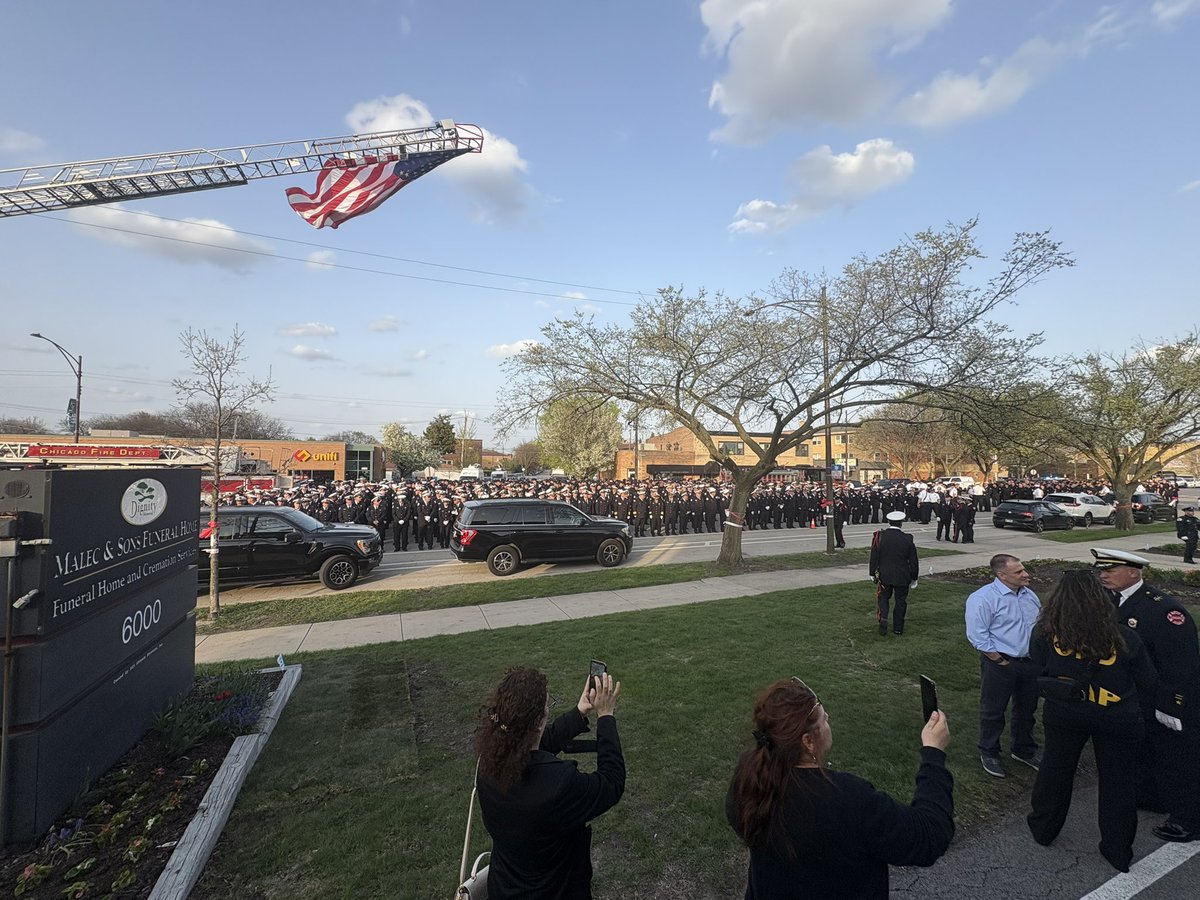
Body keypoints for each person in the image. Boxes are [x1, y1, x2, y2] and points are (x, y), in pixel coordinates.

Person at [726, 677, 954, 899]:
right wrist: (933, 753)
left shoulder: (748, 777)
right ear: (808, 741)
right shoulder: (848, 799)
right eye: (824, 720)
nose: (828, 721)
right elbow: (929, 835)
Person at [1026, 570, 1156, 872]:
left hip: (1064, 711)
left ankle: (1043, 828)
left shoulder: (1045, 632)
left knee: (1055, 770)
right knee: (1118, 782)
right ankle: (1118, 848)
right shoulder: (1126, 636)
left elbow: (1038, 664)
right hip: (1117, 716)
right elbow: (1147, 681)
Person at [475, 666, 625, 899]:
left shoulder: (488, 763)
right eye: (547, 706)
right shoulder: (559, 784)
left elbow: (539, 742)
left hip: (505, 887)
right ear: (538, 721)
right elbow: (612, 782)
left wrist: (579, 712)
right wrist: (605, 716)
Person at [1092, 548, 1200, 842]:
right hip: (1133, 697)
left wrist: (1172, 705)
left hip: (1163, 698)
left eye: (1110, 570)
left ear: (1134, 573)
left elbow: (1180, 664)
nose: (1103, 575)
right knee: (1144, 752)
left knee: (1176, 760)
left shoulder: (1163, 610)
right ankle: (1153, 797)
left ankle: (1187, 819)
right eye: (1101, 569)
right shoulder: (1111, 601)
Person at [965, 554, 1042, 778]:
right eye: (1018, 572)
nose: (1026, 574)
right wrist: (1000, 660)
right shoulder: (983, 598)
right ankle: (989, 751)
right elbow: (977, 635)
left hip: (1030, 663)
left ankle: (1024, 750)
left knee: (1027, 708)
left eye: (1024, 569)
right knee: (993, 710)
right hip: (999, 664)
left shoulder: (1030, 596)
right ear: (1002, 575)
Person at [869, 510, 920, 636]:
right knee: (900, 601)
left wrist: (872, 572)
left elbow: (874, 555)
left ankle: (883, 618)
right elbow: (913, 560)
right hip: (903, 574)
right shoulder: (907, 538)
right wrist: (914, 577)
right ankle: (898, 628)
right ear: (901, 523)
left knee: (883, 598)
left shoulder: (880, 536)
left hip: (885, 574)